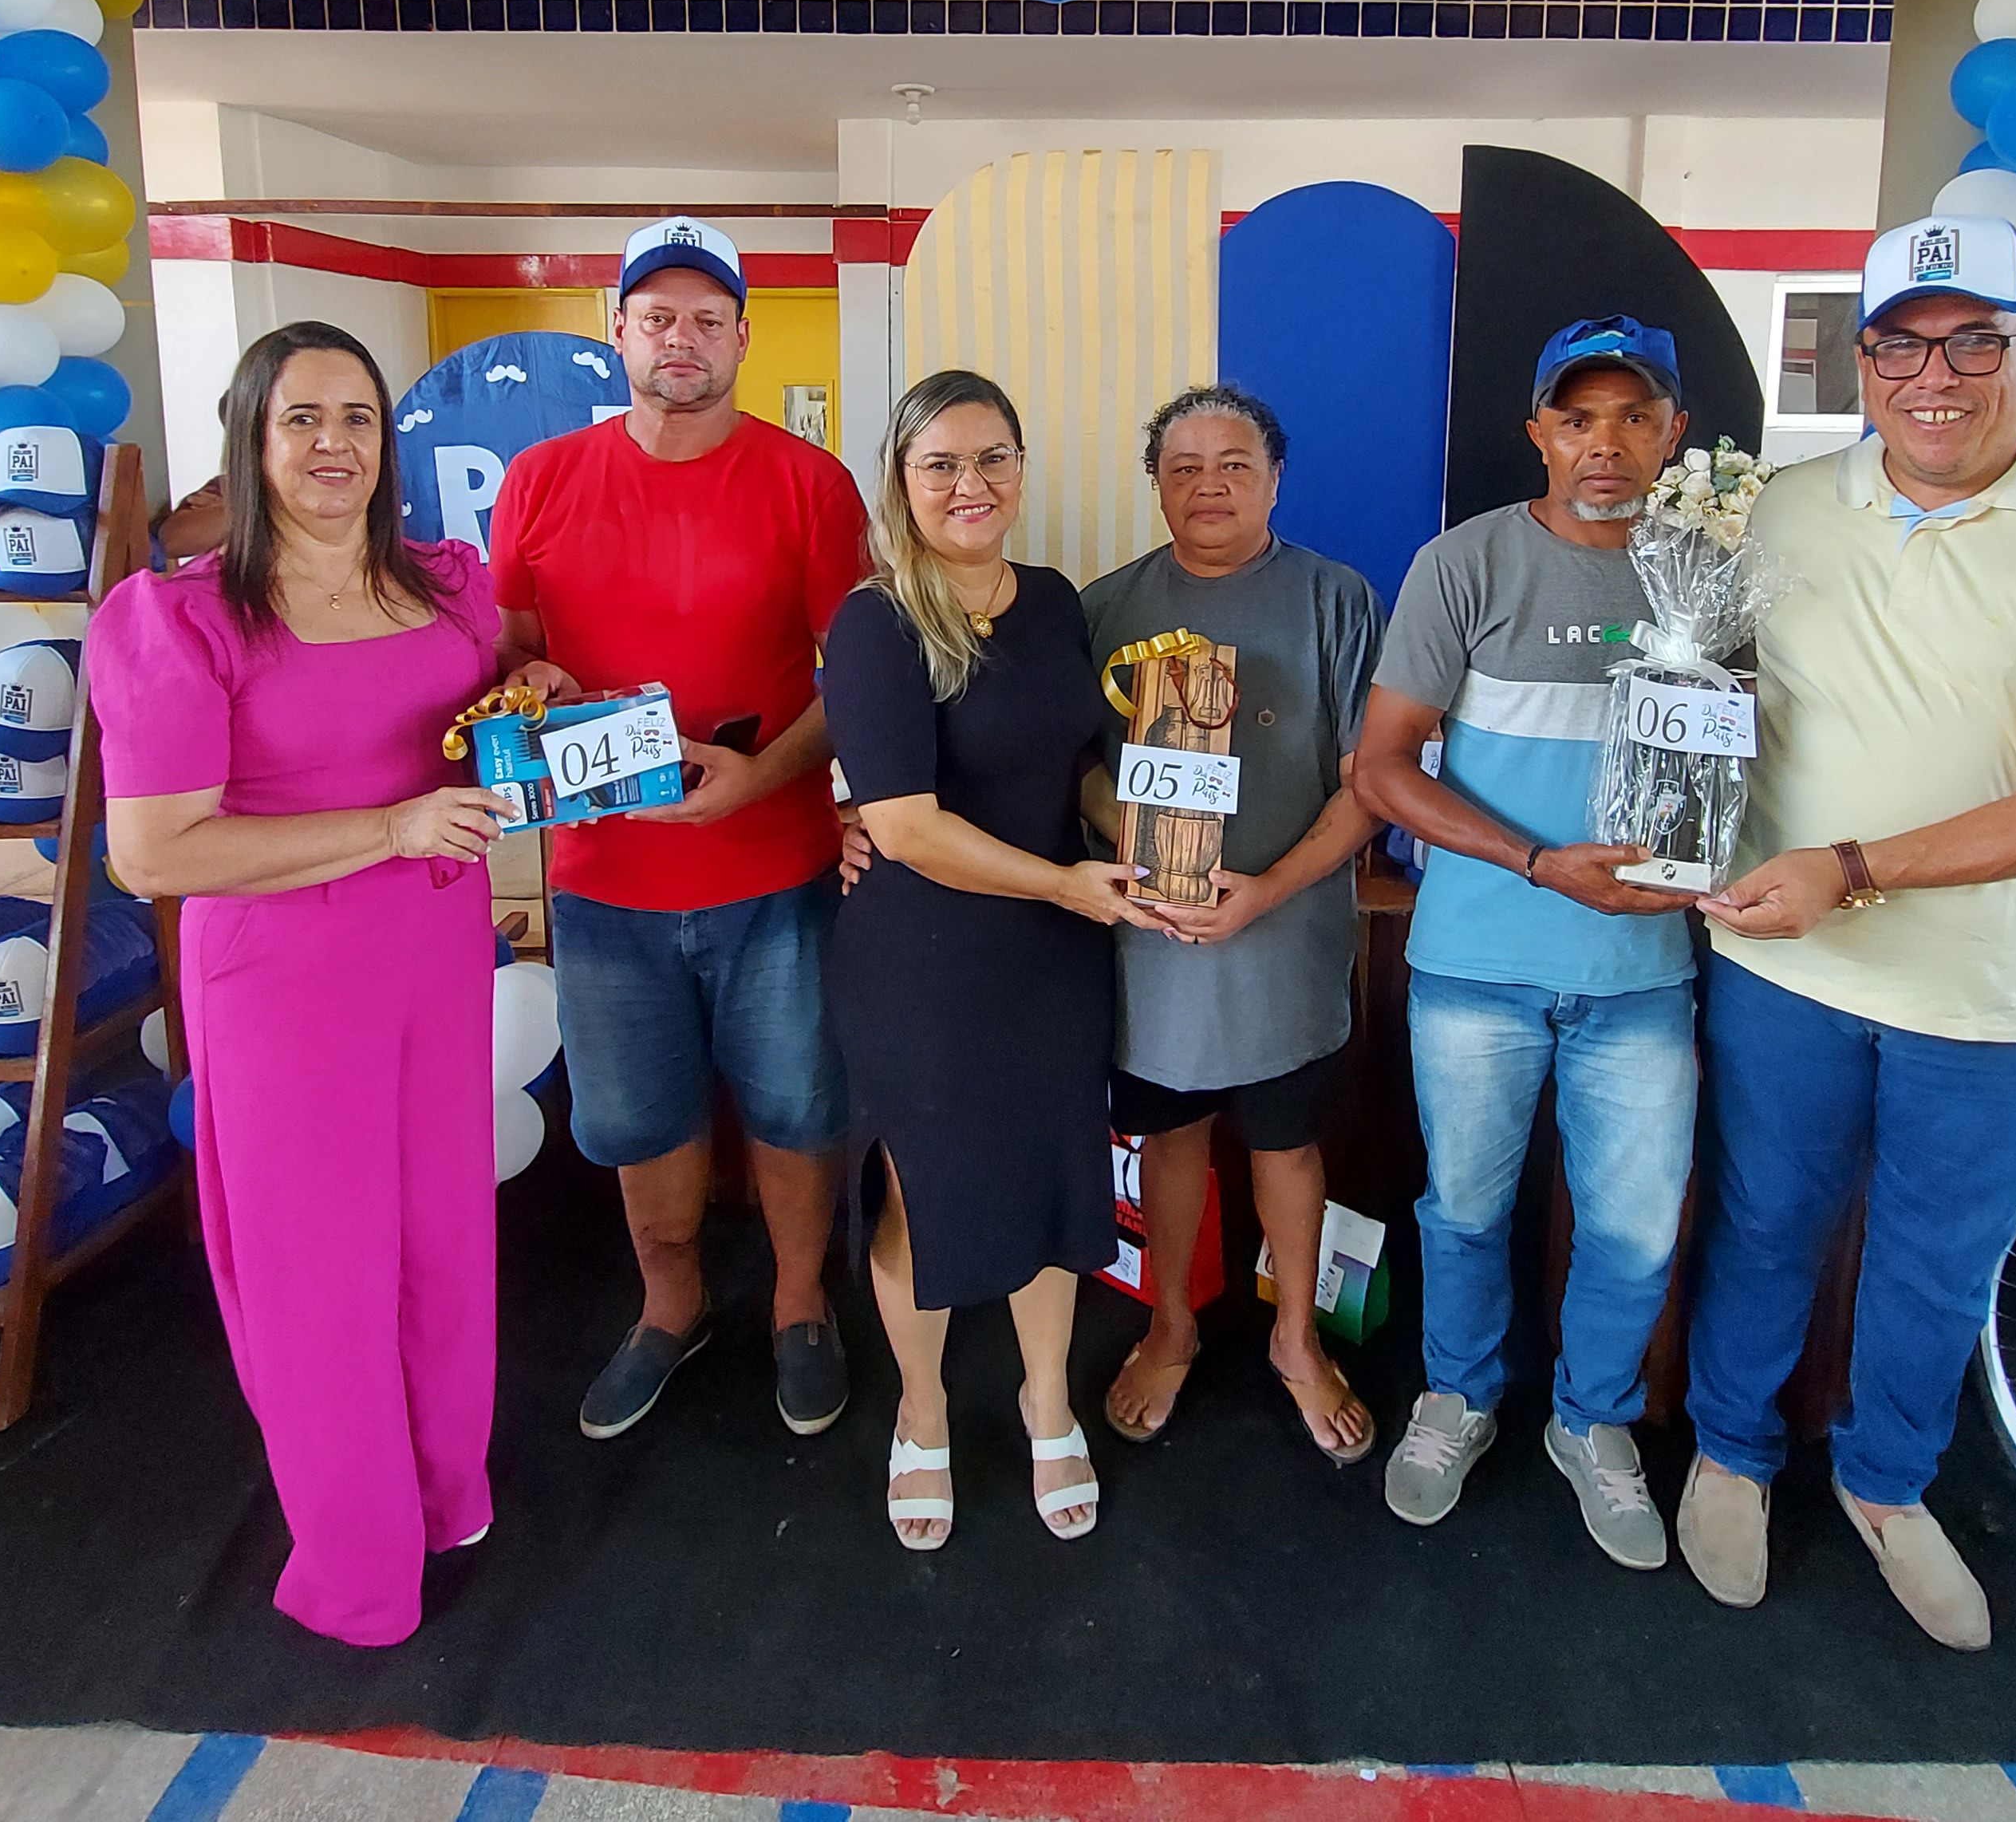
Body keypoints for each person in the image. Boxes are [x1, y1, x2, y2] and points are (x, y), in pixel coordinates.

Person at [1684, 217, 2016, 1651]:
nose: (1936, 376)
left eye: (1975, 340)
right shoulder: (1779, 511)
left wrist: (1854, 868)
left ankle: (1888, 1484)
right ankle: (1732, 1455)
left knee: (1936, 1267)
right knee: (1763, 1225)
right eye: (1902, 345)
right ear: (1862, 364)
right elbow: (1709, 698)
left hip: (1996, 995)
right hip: (1783, 968)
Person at [97, 322, 516, 1648]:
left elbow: (475, 722)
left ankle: (446, 1495)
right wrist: (389, 828)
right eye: (303, 419)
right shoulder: (181, 617)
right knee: (318, 1274)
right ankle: (360, 1560)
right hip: (284, 981)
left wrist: (533, 702)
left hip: (434, 954)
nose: (336, 444)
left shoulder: (446, 584)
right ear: (251, 439)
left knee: (444, 1239)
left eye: (358, 418)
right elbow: (154, 852)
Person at [491, 218, 869, 1442]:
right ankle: (671, 1306)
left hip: (778, 871)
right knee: (635, 1123)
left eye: (708, 318)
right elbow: (512, 653)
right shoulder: (541, 479)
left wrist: (759, 779)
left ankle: (801, 1305)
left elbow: (856, 679)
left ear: (744, 338)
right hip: (603, 882)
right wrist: (531, 687)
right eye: (658, 317)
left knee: (798, 1110)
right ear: (618, 333)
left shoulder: (810, 484)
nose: (682, 339)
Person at [1349, 320, 1703, 1564]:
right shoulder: (1465, 564)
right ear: (1538, 433)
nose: (1605, 443)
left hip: (1644, 974)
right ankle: (1459, 1396)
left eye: (1634, 417)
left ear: (1672, 432)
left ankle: (1592, 1421)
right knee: (1463, 1210)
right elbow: (1382, 767)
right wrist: (1539, 862)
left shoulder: (1709, 580)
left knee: (1636, 1230)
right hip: (1476, 967)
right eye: (1578, 418)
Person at [822, 370, 1128, 1550]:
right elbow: (903, 827)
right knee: (929, 1191)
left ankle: (1048, 1401)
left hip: (1053, 956)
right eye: (940, 463)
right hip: (926, 965)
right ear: (900, 480)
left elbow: (1078, 761)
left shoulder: (1051, 602)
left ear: (1021, 468)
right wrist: (1064, 881)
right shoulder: (876, 623)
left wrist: (1133, 830)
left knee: (1056, 1180)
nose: (970, 483)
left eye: (992, 457)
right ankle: (924, 1412)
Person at [1080, 385, 1383, 1463]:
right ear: (1156, 484)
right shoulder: (1103, 606)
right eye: (1184, 467)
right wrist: (1137, 844)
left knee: (1286, 1147)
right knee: (1169, 1139)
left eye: (1235, 465)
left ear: (1276, 478)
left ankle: (1296, 1339)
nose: (1209, 486)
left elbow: (1370, 782)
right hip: (1152, 945)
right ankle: (1170, 1325)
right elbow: (1072, 767)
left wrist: (1267, 887)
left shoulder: (1336, 599)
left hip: (1284, 939)